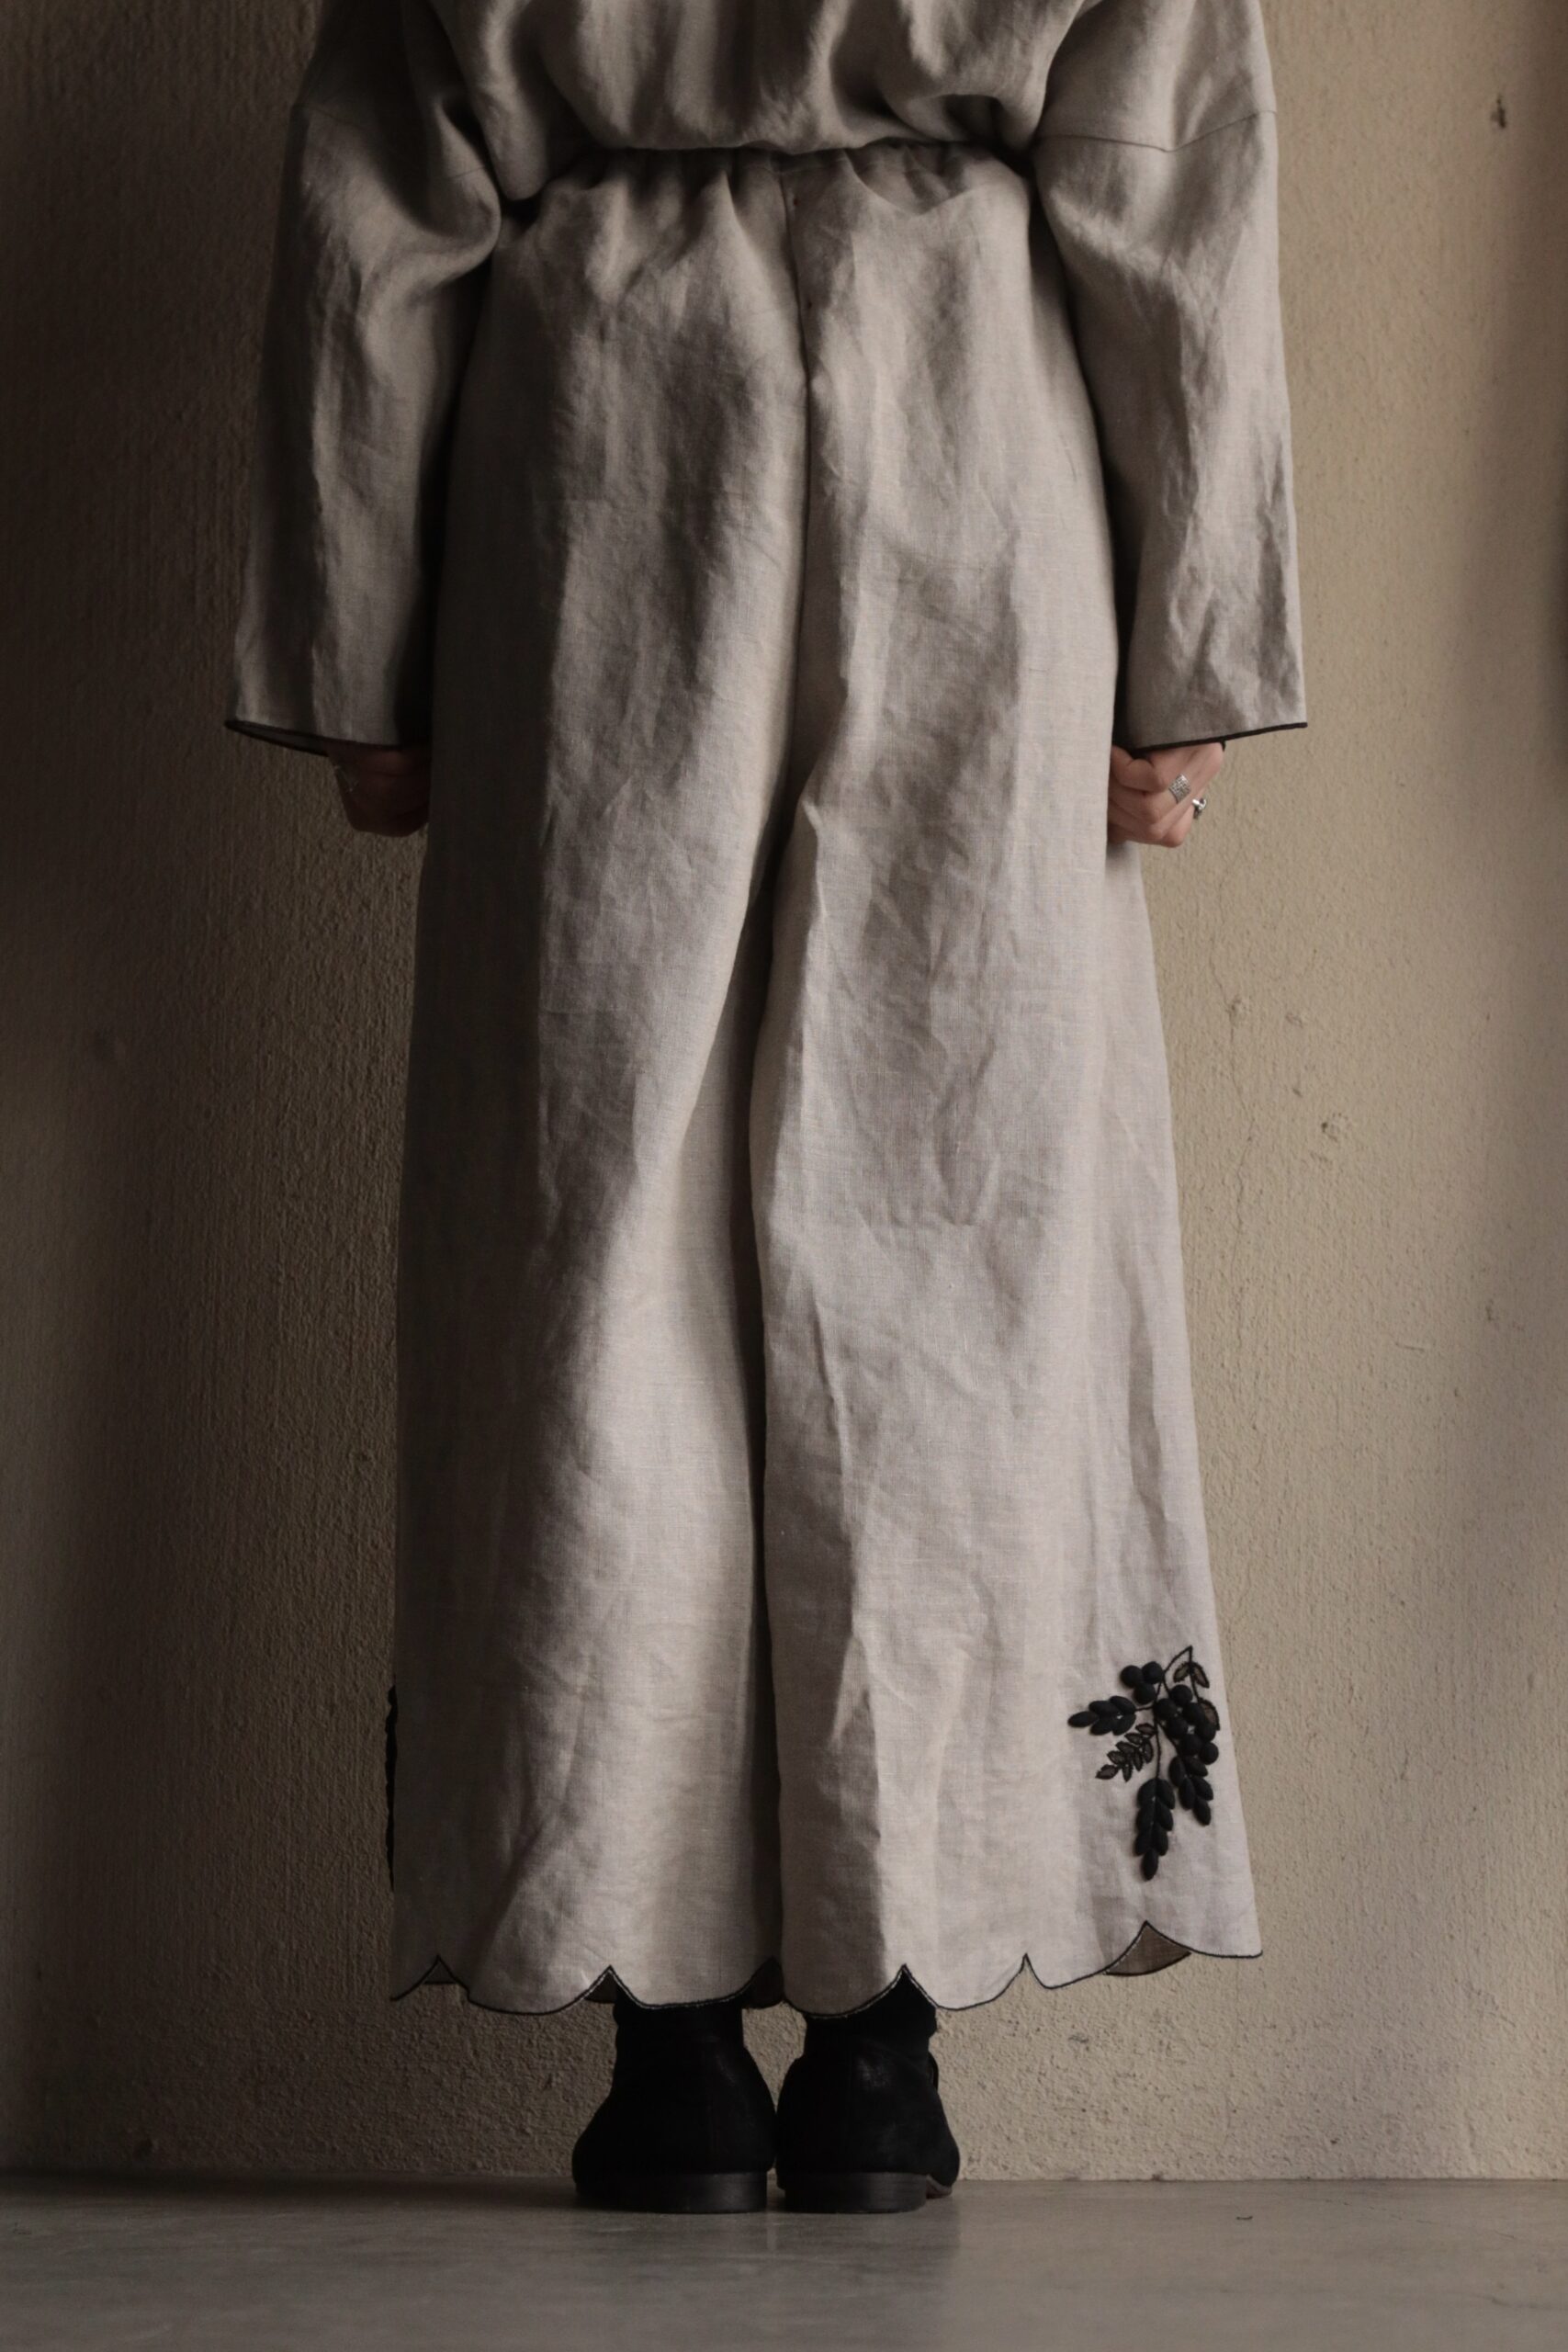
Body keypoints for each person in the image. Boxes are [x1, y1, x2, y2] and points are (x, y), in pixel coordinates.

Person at [228, 0, 1305, 2215]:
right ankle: (881, 2030)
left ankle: (672, 2040)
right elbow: (1166, 160)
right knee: (950, 1201)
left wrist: (361, 635)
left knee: (595, 1199)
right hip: (968, 412)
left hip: (597, 431)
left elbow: (381, 179)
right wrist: (1187, 627)